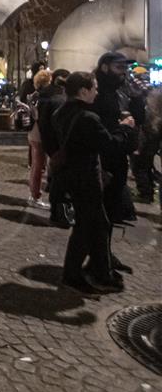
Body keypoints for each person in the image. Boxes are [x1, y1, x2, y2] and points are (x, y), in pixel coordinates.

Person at [52, 72, 136, 292]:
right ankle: (72, 276)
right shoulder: (88, 118)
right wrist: (125, 128)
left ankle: (101, 271)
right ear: (83, 91)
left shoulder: (61, 112)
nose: (97, 92)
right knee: (86, 226)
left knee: (98, 224)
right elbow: (111, 145)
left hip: (72, 174)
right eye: (94, 88)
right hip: (85, 177)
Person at [92, 52, 142, 224]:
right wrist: (123, 125)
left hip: (118, 151)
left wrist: (136, 99)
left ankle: (103, 249)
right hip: (104, 155)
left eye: (125, 68)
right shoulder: (96, 91)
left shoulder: (119, 90)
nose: (123, 72)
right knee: (102, 210)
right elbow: (97, 127)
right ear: (105, 67)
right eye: (119, 67)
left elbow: (139, 118)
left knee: (111, 208)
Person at [37, 68, 73, 226]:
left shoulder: (49, 97)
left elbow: (44, 126)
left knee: (58, 178)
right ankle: (61, 213)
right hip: (61, 146)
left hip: (54, 146)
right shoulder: (60, 100)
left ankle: (58, 212)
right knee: (62, 180)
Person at [27, 69, 52, 209]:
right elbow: (40, 116)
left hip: (33, 132)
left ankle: (34, 194)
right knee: (38, 166)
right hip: (39, 133)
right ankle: (35, 195)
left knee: (36, 166)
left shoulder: (34, 95)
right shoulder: (43, 96)